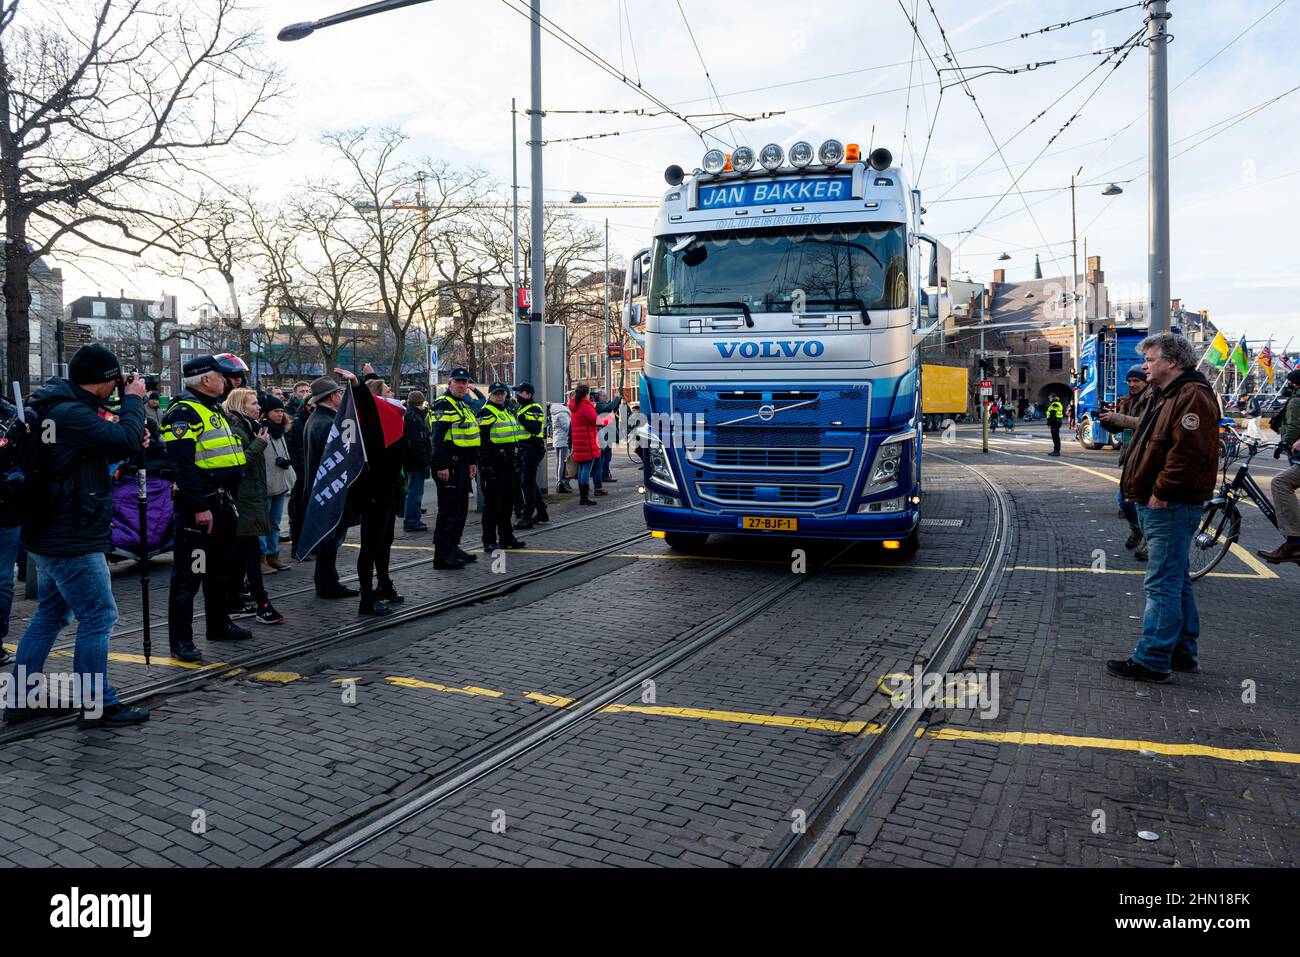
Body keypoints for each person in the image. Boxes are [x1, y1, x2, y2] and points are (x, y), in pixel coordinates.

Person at [3, 346, 151, 727]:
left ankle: (21, 698)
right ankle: (97, 703)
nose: (119, 386)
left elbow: (92, 454)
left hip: (51, 530)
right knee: (98, 615)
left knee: (50, 613)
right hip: (71, 535)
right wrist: (134, 403)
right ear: (105, 379)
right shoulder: (70, 412)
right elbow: (124, 440)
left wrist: (129, 432)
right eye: (116, 380)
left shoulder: (57, 406)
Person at [1107, 333, 1219, 682]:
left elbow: (1188, 453)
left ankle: (1153, 658)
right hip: (1160, 501)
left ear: (1172, 362)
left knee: (1162, 584)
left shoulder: (1192, 396)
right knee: (1176, 580)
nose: (1144, 365)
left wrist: (1162, 491)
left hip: (1170, 504)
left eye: (1151, 359)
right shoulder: (1168, 393)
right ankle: (1183, 653)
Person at [162, 354, 253, 663]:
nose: (225, 380)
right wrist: (200, 508)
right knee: (189, 576)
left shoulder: (212, 408)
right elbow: (183, 467)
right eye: (219, 375)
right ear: (204, 379)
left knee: (220, 571)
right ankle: (181, 641)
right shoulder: (183, 412)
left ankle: (218, 624)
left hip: (222, 502)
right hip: (199, 509)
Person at [223, 388, 284, 625]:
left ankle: (234, 600)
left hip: (248, 497)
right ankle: (263, 605)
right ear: (241, 406)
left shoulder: (247, 426)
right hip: (245, 499)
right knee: (250, 554)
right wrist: (260, 444)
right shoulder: (239, 429)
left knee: (243, 554)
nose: (259, 407)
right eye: (254, 403)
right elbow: (239, 463)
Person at [302, 375, 359, 599]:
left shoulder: (315, 420)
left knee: (329, 538)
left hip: (320, 487)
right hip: (330, 490)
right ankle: (328, 582)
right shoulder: (329, 423)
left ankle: (326, 580)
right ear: (332, 396)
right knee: (331, 539)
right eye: (339, 393)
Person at [430, 368, 481, 569]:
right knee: (448, 510)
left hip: (461, 464)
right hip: (448, 464)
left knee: (460, 509)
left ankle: (453, 546)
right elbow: (438, 439)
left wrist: (471, 463)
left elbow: (469, 437)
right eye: (457, 382)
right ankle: (441, 555)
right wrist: (442, 465)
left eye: (464, 382)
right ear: (449, 383)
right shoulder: (443, 405)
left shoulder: (462, 405)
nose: (461, 385)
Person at [1100, 368, 1154, 556]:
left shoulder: (1153, 398)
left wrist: (1117, 417)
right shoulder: (1128, 400)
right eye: (1129, 381)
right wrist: (1107, 421)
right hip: (1131, 454)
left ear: (1145, 382)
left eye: (1136, 381)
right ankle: (1136, 529)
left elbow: (1146, 423)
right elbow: (1119, 427)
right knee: (1123, 500)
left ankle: (1149, 542)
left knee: (1143, 501)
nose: (1131, 384)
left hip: (1147, 454)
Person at [477, 382, 527, 552]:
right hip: (494, 464)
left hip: (508, 463)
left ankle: (506, 536)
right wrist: (485, 465)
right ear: (490, 395)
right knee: (492, 504)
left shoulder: (506, 411)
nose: (500, 396)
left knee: (507, 502)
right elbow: (481, 442)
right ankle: (489, 540)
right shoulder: (486, 413)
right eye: (496, 393)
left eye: (502, 393)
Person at [1257, 369, 1300, 563]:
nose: (1288, 385)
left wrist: (1288, 443)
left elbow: (1294, 426)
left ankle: (1294, 542)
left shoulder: (1296, 400)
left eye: (1290, 382)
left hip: (1294, 449)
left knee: (1281, 483)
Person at [260, 394, 296, 571]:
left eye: (282, 411)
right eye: (276, 411)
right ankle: (262, 558)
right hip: (266, 483)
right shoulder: (261, 431)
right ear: (266, 413)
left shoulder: (281, 431)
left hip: (280, 482)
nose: (280, 414)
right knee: (263, 523)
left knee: (274, 522)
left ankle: (273, 555)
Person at [512, 382, 550, 529]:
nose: (517, 395)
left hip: (532, 448)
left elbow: (534, 428)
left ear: (528, 394)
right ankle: (541, 512)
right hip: (524, 449)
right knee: (529, 481)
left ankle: (527, 516)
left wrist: (520, 418)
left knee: (526, 483)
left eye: (520, 393)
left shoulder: (534, 408)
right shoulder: (522, 408)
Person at [402, 390, 432, 532]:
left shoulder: (410, 416)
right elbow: (418, 443)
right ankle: (412, 520)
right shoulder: (414, 419)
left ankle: (413, 518)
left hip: (412, 461)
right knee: (415, 492)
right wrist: (424, 462)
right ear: (420, 402)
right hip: (416, 463)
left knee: (414, 491)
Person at [568, 384, 601, 506]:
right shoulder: (585, 406)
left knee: (582, 468)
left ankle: (583, 496)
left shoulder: (574, 406)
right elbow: (597, 420)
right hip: (587, 442)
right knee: (586, 468)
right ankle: (584, 497)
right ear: (586, 394)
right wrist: (610, 418)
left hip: (578, 442)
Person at [551, 397, 573, 493]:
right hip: (563, 440)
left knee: (558, 462)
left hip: (557, 439)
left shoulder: (555, 413)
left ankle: (559, 481)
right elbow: (567, 427)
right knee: (563, 462)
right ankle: (561, 482)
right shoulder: (563, 413)